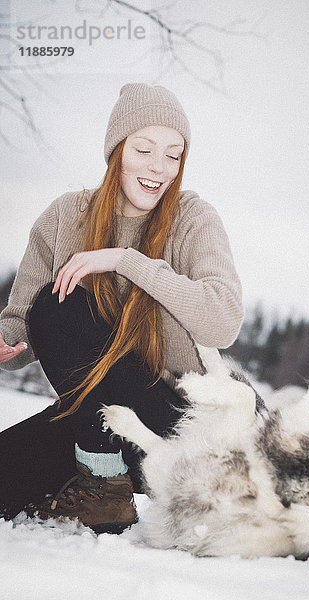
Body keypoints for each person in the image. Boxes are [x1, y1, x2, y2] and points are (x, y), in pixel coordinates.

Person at [0, 83, 243, 533]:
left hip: (176, 420)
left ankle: (104, 485)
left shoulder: (194, 219)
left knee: (65, 301)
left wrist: (127, 262)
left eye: (174, 155)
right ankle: (100, 480)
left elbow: (223, 320)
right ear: (117, 150)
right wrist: (9, 343)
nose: (160, 168)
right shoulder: (64, 217)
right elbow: (25, 322)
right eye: (145, 150)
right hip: (97, 417)